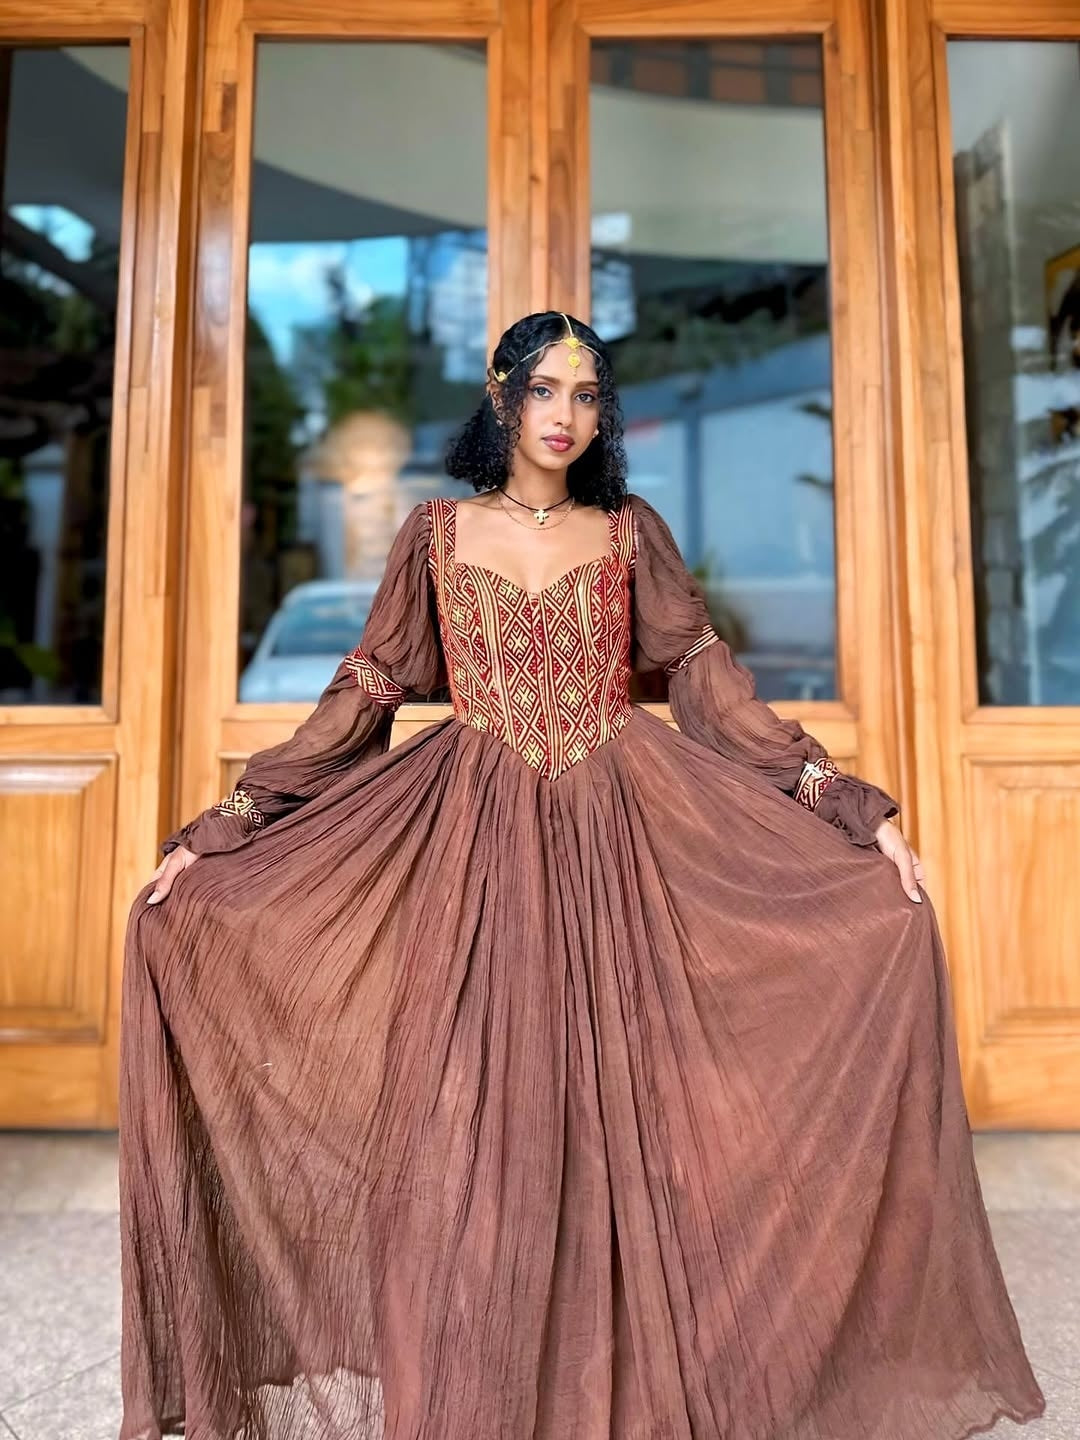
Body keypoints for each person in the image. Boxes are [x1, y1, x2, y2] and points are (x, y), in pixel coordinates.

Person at [118, 311, 1046, 1440]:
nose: (566, 415)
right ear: (503, 398)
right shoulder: (435, 535)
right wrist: (226, 824)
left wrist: (843, 808)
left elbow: (711, 695)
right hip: (469, 850)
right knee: (467, 1126)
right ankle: (476, 1392)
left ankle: (614, 1400)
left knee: (628, 1119)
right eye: (545, 390)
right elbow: (360, 702)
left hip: (623, 835)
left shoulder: (626, 532)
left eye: (588, 394)